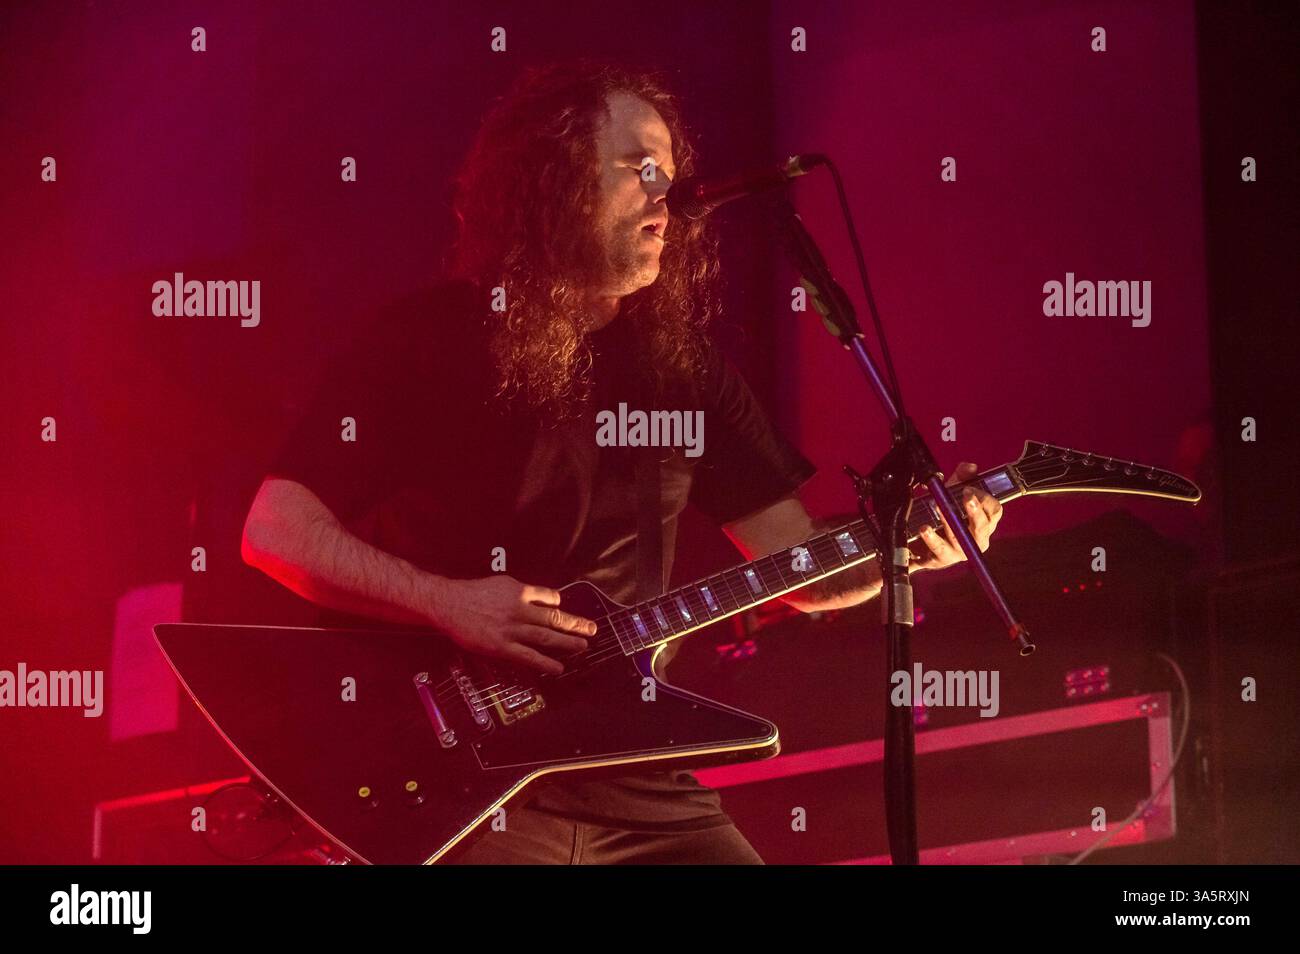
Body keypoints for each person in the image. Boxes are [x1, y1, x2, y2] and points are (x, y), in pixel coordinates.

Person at [240, 60, 1003, 864]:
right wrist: (449, 604)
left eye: (669, 175)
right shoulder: (428, 342)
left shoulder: (683, 369)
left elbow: (797, 565)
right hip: (458, 776)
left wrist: (904, 544)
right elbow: (273, 530)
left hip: (631, 772)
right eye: (640, 169)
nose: (666, 198)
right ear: (555, 181)